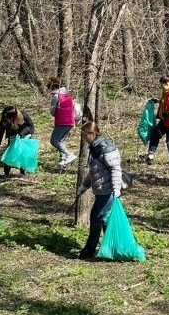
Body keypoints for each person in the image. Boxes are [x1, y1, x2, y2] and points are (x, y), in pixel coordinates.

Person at [75, 121, 123, 259]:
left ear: (93, 133)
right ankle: (112, 248)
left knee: (95, 217)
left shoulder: (106, 148)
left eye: (85, 135)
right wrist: (84, 186)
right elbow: (95, 172)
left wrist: (116, 189)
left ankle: (89, 249)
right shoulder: (94, 148)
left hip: (108, 191)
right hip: (101, 190)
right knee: (103, 219)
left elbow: (115, 169)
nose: (83, 138)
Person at [146, 74, 169, 165]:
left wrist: (168, 113)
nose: (161, 87)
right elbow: (165, 101)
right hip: (165, 120)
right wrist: (157, 101)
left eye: (162, 85)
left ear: (167, 83)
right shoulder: (166, 91)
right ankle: (151, 155)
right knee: (155, 134)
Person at [48, 77, 82, 167]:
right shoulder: (68, 95)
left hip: (61, 122)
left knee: (54, 141)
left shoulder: (56, 96)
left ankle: (69, 155)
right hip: (71, 121)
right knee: (61, 141)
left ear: (52, 87)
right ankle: (63, 161)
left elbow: (52, 111)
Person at [0, 105, 35, 176]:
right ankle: (6, 173)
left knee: (23, 154)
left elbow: (31, 127)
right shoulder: (5, 118)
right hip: (12, 137)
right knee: (9, 154)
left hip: (24, 137)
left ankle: (23, 171)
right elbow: (1, 132)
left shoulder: (23, 115)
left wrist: (22, 134)